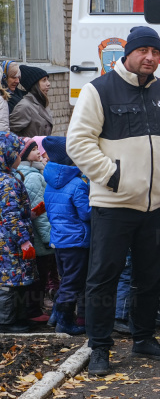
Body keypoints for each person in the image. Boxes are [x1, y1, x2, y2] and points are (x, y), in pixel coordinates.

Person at [67, 26, 160, 376]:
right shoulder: (99, 89)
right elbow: (78, 142)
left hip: (157, 206)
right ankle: (100, 348)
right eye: (143, 51)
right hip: (114, 205)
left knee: (149, 276)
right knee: (103, 278)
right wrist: (112, 176)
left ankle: (144, 338)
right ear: (128, 53)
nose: (150, 57)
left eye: (156, 52)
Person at [41, 136, 90, 336]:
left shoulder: (51, 184)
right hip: (76, 241)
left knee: (66, 279)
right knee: (72, 282)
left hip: (60, 241)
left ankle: (56, 316)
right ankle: (65, 322)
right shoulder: (77, 184)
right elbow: (86, 213)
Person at [0, 132, 37, 333]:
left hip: (5, 238)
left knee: (13, 280)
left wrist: (31, 213)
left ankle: (18, 318)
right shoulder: (7, 182)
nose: (19, 157)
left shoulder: (7, 178)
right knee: (9, 282)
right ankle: (6, 322)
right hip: (9, 242)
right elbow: (11, 215)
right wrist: (24, 241)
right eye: (16, 153)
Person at [17, 137, 56, 323]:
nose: (39, 152)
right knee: (39, 273)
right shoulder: (33, 177)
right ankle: (34, 311)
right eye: (33, 150)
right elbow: (39, 213)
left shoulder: (26, 174)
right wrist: (49, 237)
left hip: (33, 237)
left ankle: (34, 308)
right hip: (39, 239)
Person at [10, 66, 53, 137]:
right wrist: (28, 145)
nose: (48, 83)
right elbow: (10, 134)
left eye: (47, 80)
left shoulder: (42, 103)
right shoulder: (25, 106)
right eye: (44, 80)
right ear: (34, 84)